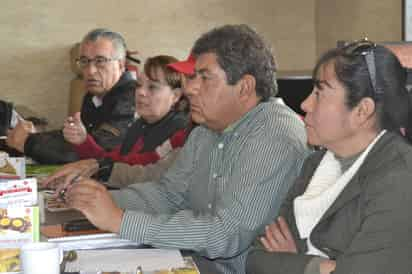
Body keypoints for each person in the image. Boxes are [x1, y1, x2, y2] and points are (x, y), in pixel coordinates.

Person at [45, 24, 308, 274]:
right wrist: (96, 200)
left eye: (204, 78)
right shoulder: (206, 131)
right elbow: (169, 195)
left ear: (244, 87)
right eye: (192, 77)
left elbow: (226, 235)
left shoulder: (274, 132)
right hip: (190, 259)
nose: (190, 88)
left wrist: (119, 220)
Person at [246, 40, 412, 274]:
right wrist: (320, 265)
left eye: (320, 93)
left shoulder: (400, 178)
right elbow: (255, 259)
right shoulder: (314, 164)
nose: (305, 104)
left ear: (362, 111)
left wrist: (299, 262)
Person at [44, 55, 191, 187]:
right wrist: (83, 141)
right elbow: (112, 159)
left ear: (176, 96)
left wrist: (97, 166)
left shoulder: (180, 130)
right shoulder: (139, 125)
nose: (140, 92)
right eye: (139, 85)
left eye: (152, 87)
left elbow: (142, 165)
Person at [5, 28, 136, 164]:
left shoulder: (133, 97)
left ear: (121, 65)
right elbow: (72, 137)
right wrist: (35, 135)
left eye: (100, 61)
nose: (90, 71)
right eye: (84, 61)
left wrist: (29, 142)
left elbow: (93, 152)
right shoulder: (93, 96)